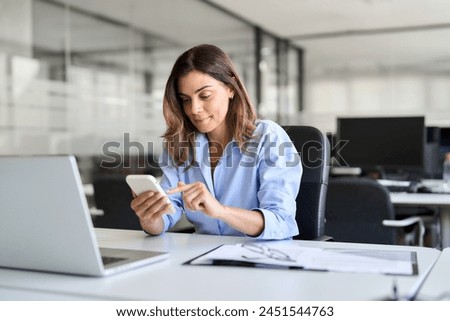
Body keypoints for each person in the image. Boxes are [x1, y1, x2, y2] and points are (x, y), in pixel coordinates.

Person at [131, 44, 302, 240]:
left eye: (205, 96)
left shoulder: (267, 137)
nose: (194, 109)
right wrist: (149, 217)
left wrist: (221, 211)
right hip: (204, 257)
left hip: (261, 257)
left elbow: (281, 222)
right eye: (185, 99)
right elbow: (166, 217)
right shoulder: (180, 145)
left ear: (230, 88)